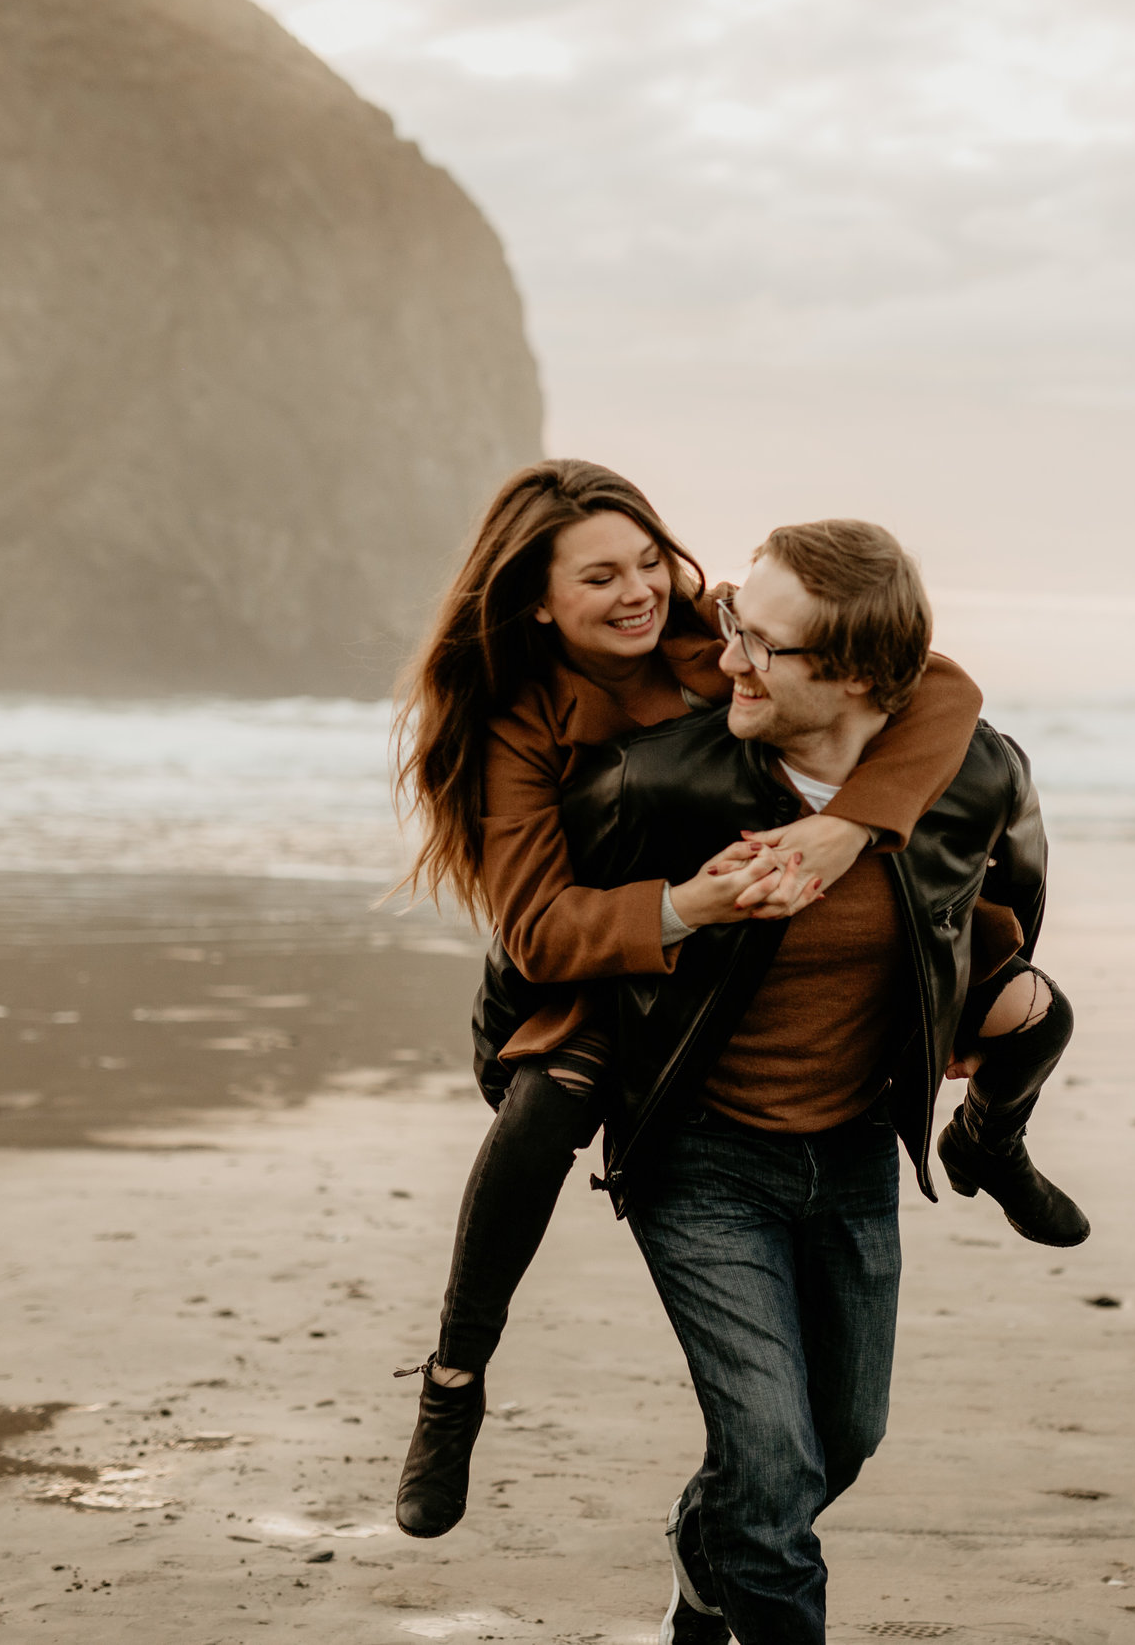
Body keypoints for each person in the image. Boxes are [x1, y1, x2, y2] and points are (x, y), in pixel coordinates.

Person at [385, 463, 1084, 1548]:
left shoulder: (709, 646)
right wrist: (687, 903)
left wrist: (849, 824)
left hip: (766, 954)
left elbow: (933, 687)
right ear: (535, 598)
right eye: (600, 576)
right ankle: (455, 1376)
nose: (640, 591)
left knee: (1033, 1007)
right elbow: (538, 930)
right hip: (607, 963)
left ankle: (993, 1140)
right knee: (548, 1104)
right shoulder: (522, 726)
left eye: (651, 559)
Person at [523, 518, 1051, 1643]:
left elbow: (1001, 898)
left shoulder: (977, 772)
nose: (726, 662)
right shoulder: (655, 783)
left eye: (764, 646)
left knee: (840, 1440)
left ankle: (703, 1552)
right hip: (699, 1156)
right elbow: (531, 943)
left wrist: (968, 1005)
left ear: (859, 674)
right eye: (730, 625)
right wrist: (527, 1083)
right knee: (772, 1457)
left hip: (855, 1149)